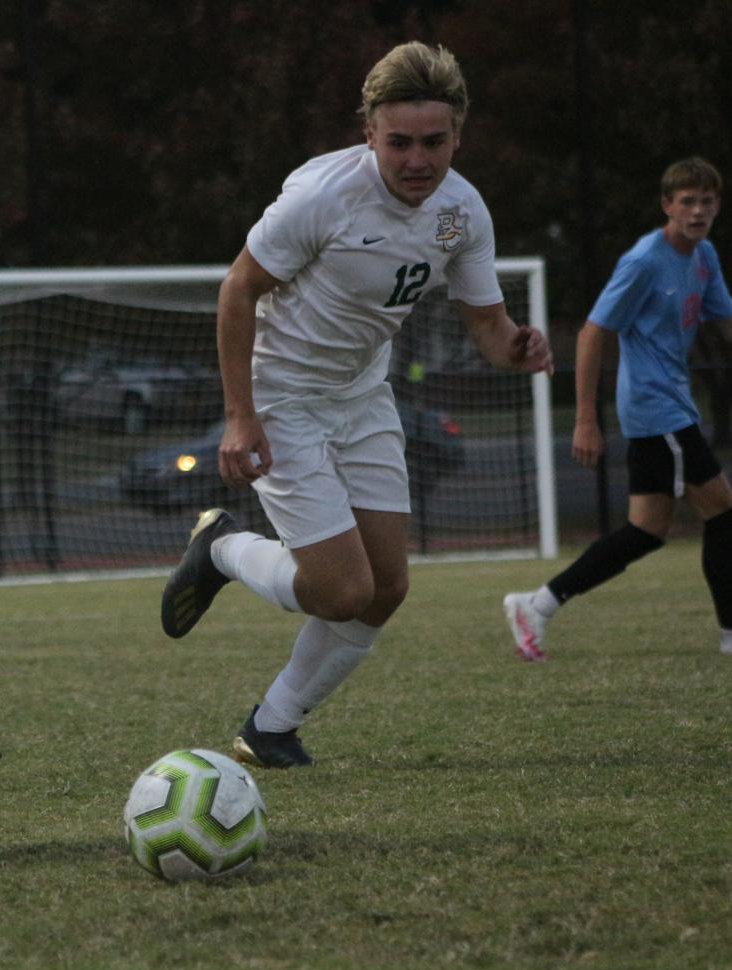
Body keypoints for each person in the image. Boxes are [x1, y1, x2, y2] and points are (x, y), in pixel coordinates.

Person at [160, 41, 553, 768]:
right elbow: (236, 291)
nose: (416, 160)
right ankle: (219, 548)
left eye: (433, 142)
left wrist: (516, 348)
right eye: (398, 141)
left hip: (362, 393)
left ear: (457, 135)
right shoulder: (322, 199)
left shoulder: (462, 211)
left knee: (386, 587)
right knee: (341, 590)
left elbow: (487, 324)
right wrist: (241, 414)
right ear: (367, 131)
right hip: (282, 396)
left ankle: (270, 725)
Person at [504, 158, 732, 660]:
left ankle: (537, 604)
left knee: (646, 530)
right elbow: (592, 333)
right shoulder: (645, 261)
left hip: (674, 404)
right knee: (722, 509)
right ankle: (729, 633)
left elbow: (724, 320)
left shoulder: (704, 256)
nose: (698, 211)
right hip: (656, 407)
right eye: (687, 201)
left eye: (707, 202)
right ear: (667, 206)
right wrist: (586, 418)